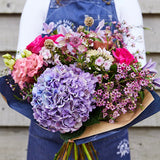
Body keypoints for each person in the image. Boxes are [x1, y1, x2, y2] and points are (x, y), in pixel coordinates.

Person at [16, 0, 146, 159]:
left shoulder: (124, 3)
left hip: (106, 133)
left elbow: (138, 69)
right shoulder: (38, 3)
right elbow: (23, 66)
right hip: (50, 134)